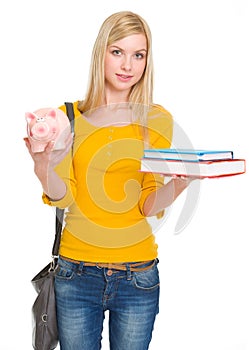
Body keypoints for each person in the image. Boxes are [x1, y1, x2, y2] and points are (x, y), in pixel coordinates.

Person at [25, 11, 192, 350]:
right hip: (75, 275)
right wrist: (44, 167)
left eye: (138, 54)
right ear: (101, 52)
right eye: (117, 51)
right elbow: (64, 197)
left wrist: (179, 185)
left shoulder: (156, 121)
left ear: (147, 60)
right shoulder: (69, 117)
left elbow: (147, 204)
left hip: (138, 278)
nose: (127, 65)